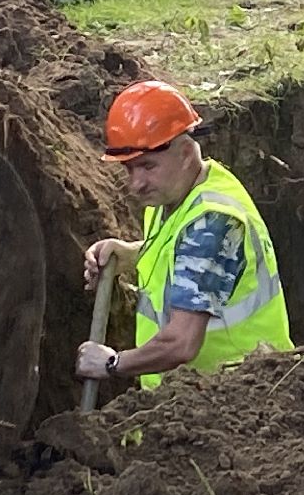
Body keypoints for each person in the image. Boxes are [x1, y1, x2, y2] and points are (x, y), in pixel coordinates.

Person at [76, 81, 292, 389]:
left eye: (148, 166)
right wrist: (130, 255)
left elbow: (182, 342)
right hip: (190, 401)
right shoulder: (177, 195)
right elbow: (179, 252)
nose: (136, 183)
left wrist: (113, 363)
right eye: (129, 169)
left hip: (236, 400)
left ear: (186, 153)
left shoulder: (212, 221)